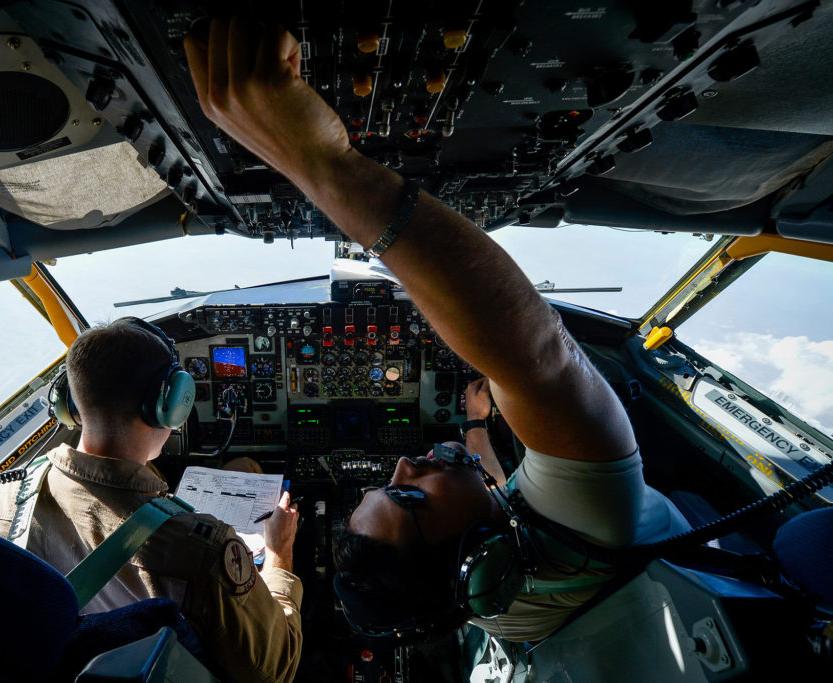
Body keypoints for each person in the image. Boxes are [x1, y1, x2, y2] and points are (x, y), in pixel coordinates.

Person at [181, 19, 690, 644]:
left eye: (388, 485)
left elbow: (500, 499)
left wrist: (476, 425)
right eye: (411, 498)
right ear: (479, 558)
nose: (401, 463)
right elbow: (535, 354)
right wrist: (325, 165)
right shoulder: (593, 520)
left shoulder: (490, 592)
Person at [0, 318, 303, 683]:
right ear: (172, 404)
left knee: (243, 467)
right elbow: (275, 669)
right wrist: (279, 556)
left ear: (71, 405)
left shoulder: (1, 503)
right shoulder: (203, 548)